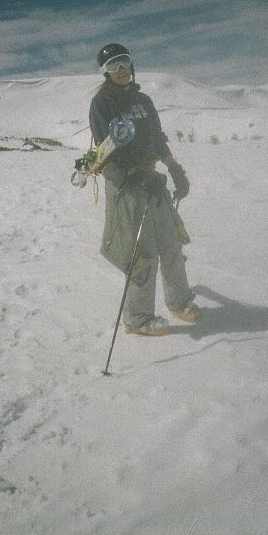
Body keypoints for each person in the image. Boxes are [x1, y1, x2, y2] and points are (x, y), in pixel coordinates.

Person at [89, 43, 201, 336]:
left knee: (170, 243)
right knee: (142, 252)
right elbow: (107, 149)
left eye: (124, 62)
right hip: (126, 185)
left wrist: (174, 168)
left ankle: (179, 302)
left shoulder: (144, 101)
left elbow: (157, 139)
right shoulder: (101, 104)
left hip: (152, 180)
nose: (121, 70)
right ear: (105, 73)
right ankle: (137, 320)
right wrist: (134, 176)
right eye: (113, 66)